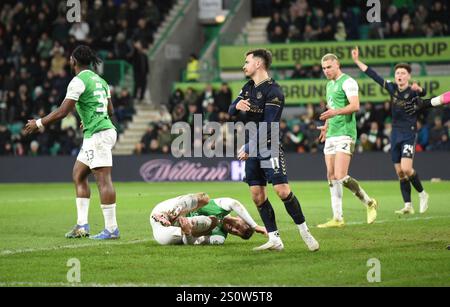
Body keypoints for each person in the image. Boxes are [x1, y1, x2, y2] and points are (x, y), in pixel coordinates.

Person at [24, 45, 120, 240]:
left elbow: (63, 111)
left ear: (74, 61)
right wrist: (90, 117)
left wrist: (39, 123)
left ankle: (111, 229)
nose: (69, 61)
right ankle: (82, 226)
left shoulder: (78, 81)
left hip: (98, 134)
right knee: (79, 174)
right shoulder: (100, 80)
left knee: (103, 180)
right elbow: (110, 110)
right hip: (100, 130)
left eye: (70, 58)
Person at [228, 49, 319, 252]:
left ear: (258, 64)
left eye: (247, 62)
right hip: (252, 146)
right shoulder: (247, 87)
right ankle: (274, 239)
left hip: (269, 146)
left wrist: (250, 147)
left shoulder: (274, 91)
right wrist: (237, 106)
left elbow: (269, 124)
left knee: (282, 191)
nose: (244, 65)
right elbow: (230, 110)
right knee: (257, 195)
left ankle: (305, 231)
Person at [352, 47, 429, 215]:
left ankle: (423, 194)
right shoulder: (392, 88)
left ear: (408, 76)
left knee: (407, 169)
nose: (399, 76)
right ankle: (408, 205)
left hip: (408, 132)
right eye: (397, 73)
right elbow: (374, 75)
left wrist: (420, 89)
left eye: (402, 73)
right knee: (400, 172)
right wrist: (357, 61)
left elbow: (425, 93)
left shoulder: (413, 91)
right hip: (395, 133)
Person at [317, 53, 378, 228]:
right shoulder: (329, 85)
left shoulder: (348, 82)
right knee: (330, 175)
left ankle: (369, 202)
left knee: (341, 176)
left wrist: (334, 113)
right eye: (323, 68)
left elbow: (355, 106)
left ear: (337, 65)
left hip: (345, 132)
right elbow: (331, 108)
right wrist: (326, 126)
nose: (326, 71)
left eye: (329, 67)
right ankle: (337, 218)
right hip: (332, 133)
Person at [151, 195, 267, 245]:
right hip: (159, 211)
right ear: (239, 217)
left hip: (167, 233)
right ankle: (171, 215)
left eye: (236, 233)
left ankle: (174, 221)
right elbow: (233, 203)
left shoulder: (219, 238)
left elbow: (190, 242)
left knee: (210, 222)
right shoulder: (220, 207)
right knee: (204, 197)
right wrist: (255, 226)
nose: (234, 230)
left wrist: (187, 232)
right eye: (238, 227)